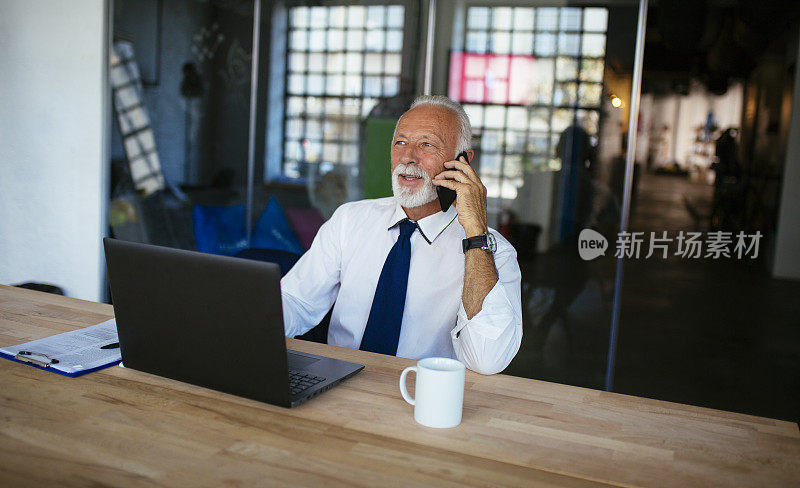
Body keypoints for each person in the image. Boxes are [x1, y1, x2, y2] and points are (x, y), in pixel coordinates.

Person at [281, 95, 522, 375]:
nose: (408, 157)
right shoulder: (350, 220)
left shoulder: (494, 252)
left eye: (427, 144)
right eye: (400, 143)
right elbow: (296, 301)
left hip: (424, 400)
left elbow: (488, 359)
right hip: (338, 387)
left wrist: (475, 233)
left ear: (463, 161)